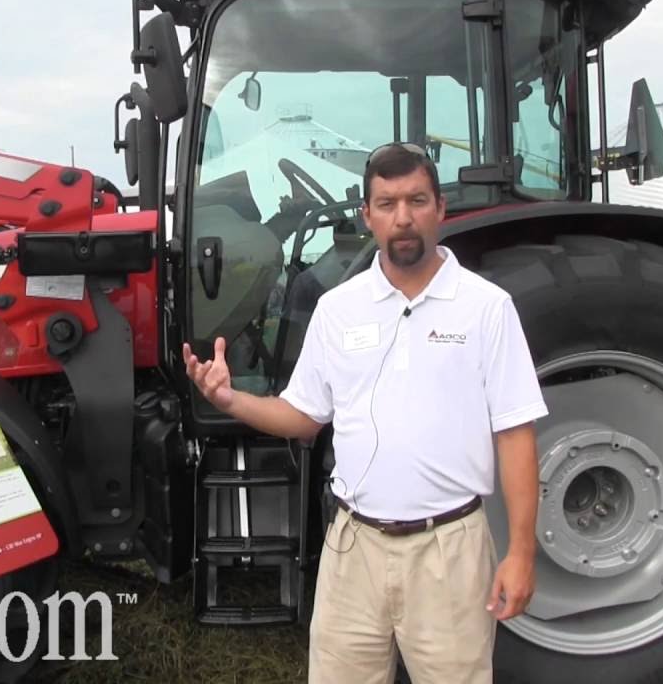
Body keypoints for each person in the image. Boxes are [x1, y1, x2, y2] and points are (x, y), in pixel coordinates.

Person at [183, 143, 547, 683]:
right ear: (367, 215)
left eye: (416, 201)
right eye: (387, 204)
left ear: (440, 208)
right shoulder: (337, 308)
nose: (403, 217)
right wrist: (230, 400)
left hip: (448, 550)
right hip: (353, 547)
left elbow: (515, 434)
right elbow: (303, 417)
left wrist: (521, 553)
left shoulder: (486, 308)